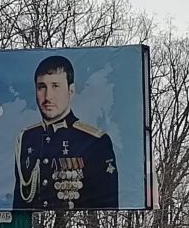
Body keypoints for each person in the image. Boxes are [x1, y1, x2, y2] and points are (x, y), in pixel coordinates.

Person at [14, 54, 119, 210]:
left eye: (55, 86)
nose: (48, 97)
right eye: (42, 87)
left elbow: (106, 206)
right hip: (36, 224)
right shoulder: (26, 138)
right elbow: (19, 204)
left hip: (74, 224)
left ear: (71, 91)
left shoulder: (95, 141)